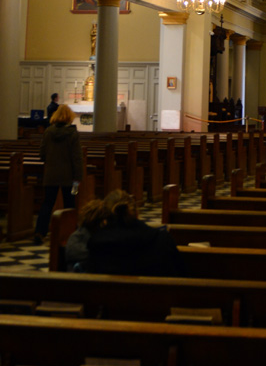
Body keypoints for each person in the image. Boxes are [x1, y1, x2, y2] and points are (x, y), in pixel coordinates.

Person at [65, 189, 185, 276]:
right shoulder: (162, 240)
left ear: (105, 217)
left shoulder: (96, 247)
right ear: (136, 213)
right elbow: (181, 275)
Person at [33, 103, 84, 244]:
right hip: (69, 176)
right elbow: (77, 157)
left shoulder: (48, 132)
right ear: (69, 117)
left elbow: (42, 154)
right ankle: (70, 232)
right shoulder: (73, 134)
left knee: (47, 204)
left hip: (51, 174)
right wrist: (78, 177)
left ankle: (39, 232)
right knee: (70, 204)